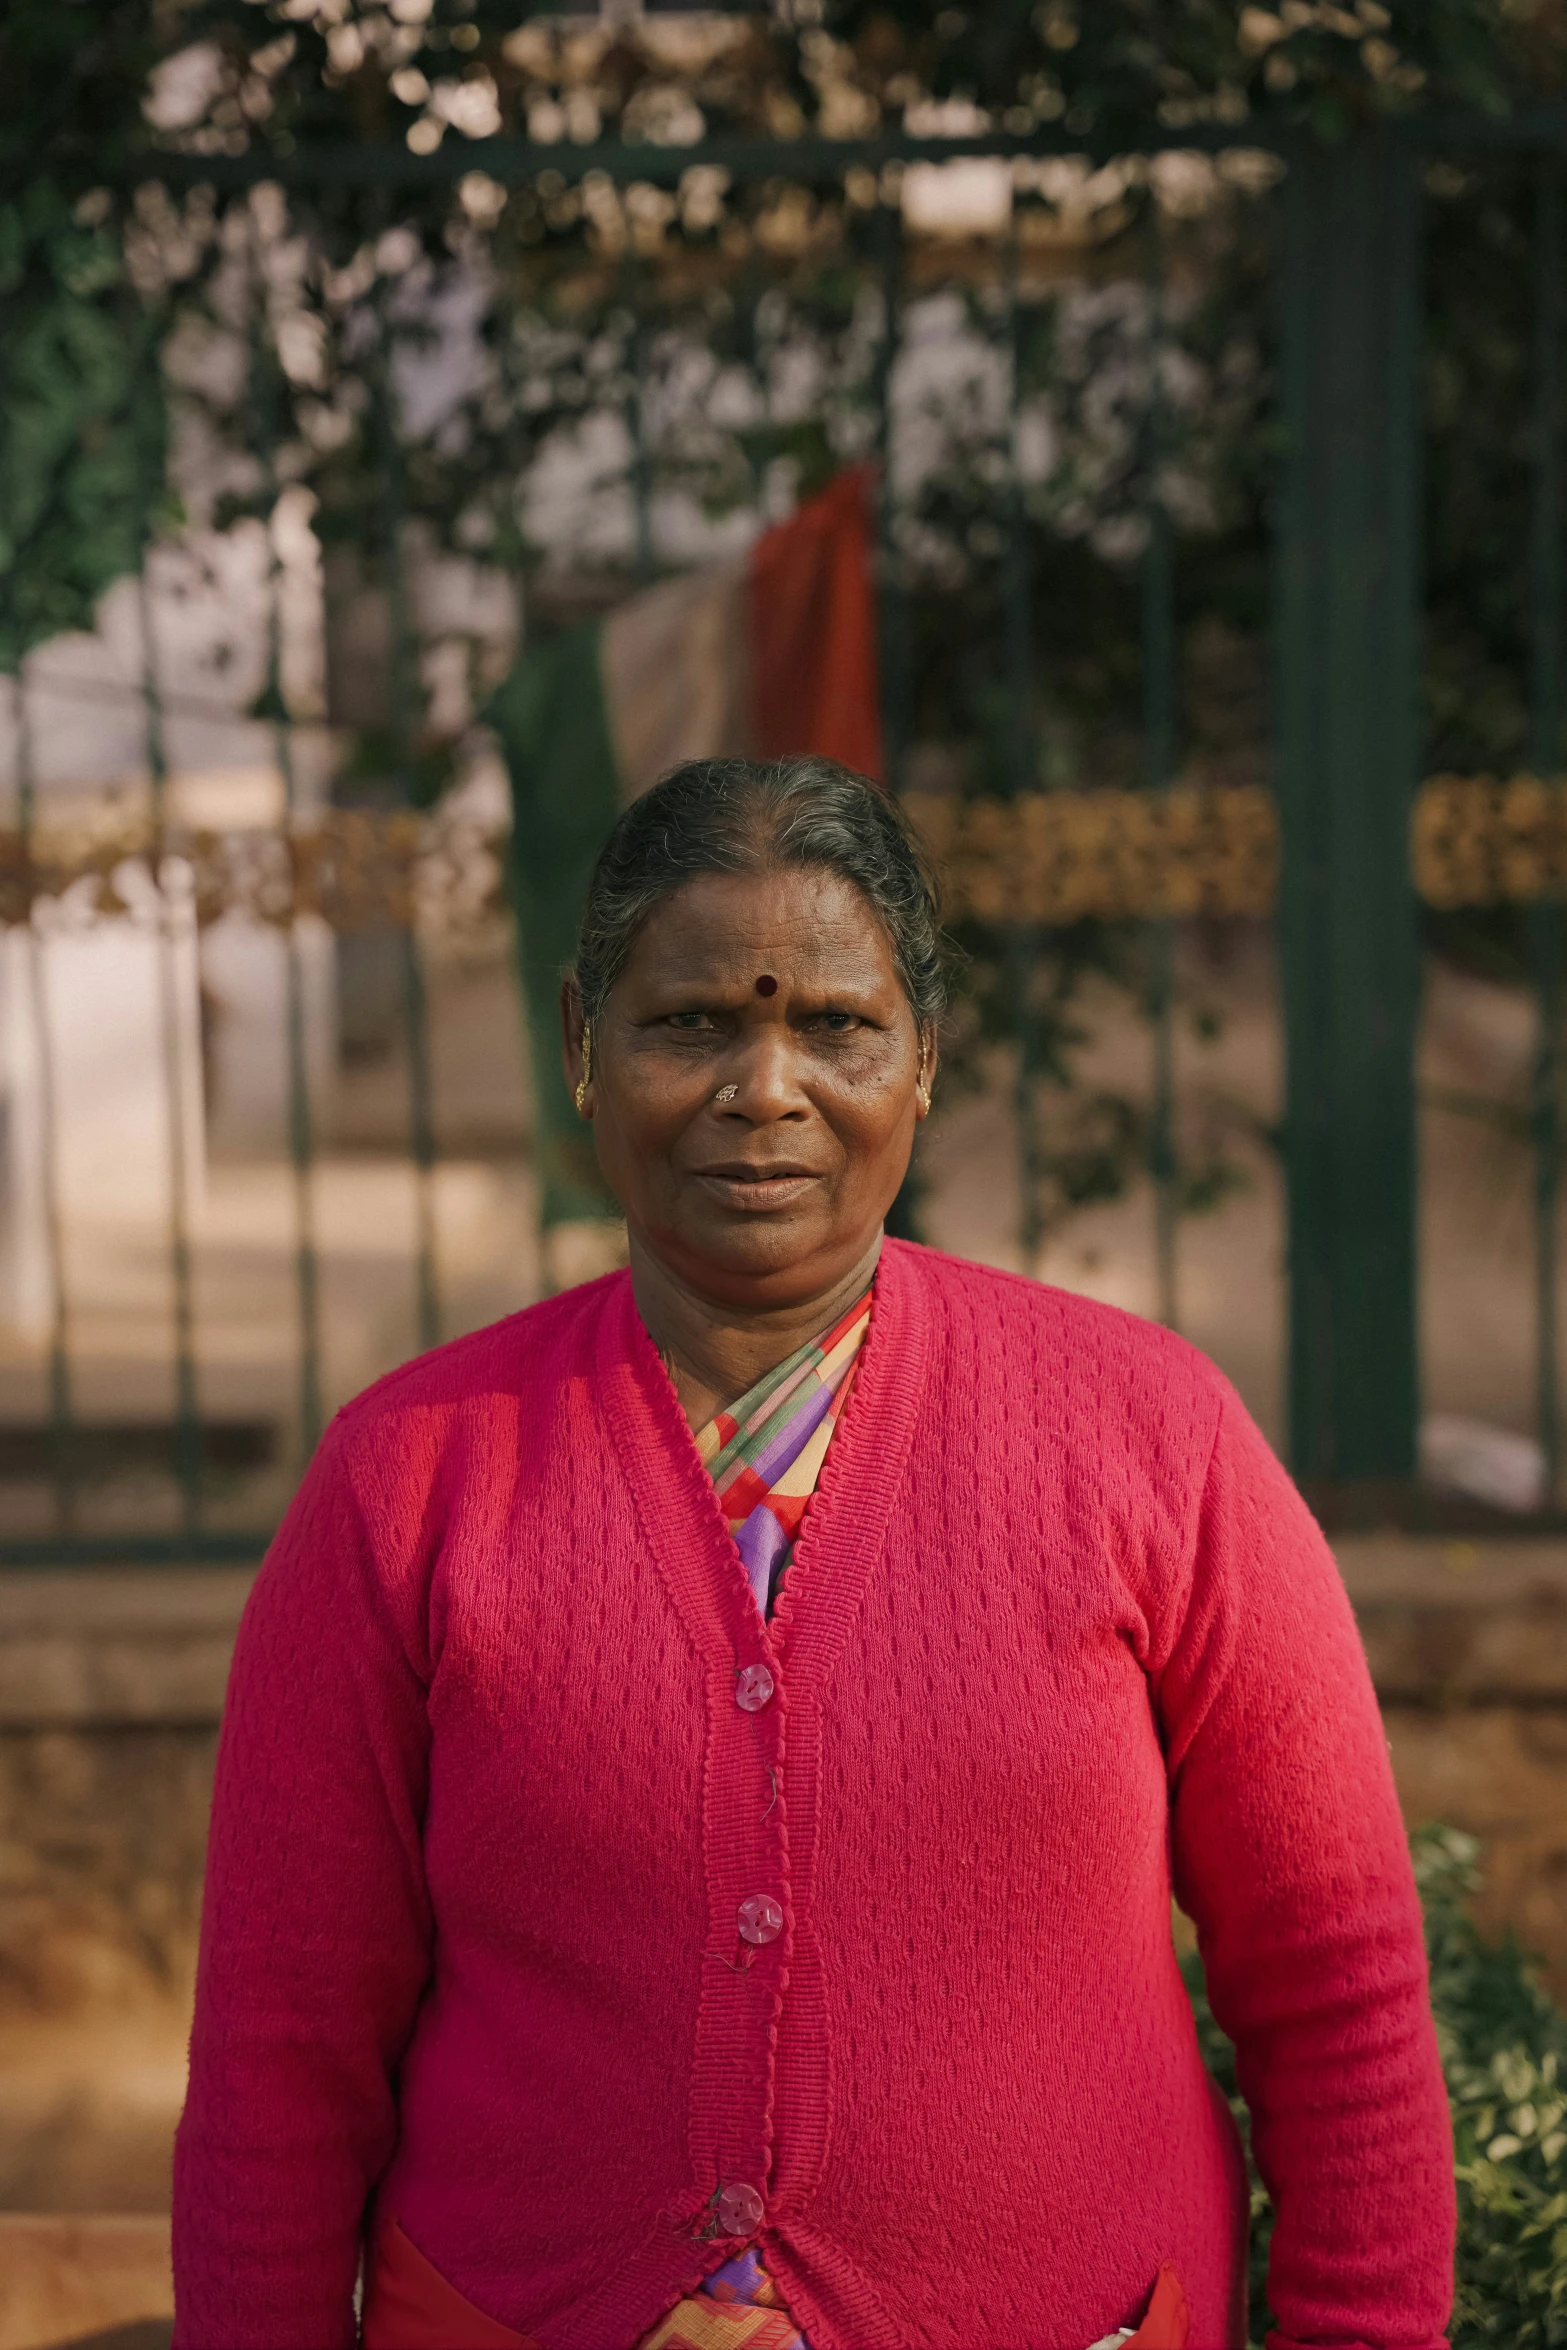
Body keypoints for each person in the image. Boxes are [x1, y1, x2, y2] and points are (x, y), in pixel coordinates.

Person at [172, 756, 1455, 2350]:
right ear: (582, 1043)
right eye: (689, 1021)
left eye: (835, 1024)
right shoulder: (406, 1481)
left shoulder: (1152, 1440)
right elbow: (278, 2063)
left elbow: (1335, 1994)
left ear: (925, 1053)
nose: (761, 1087)